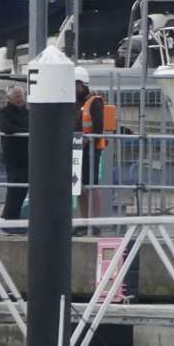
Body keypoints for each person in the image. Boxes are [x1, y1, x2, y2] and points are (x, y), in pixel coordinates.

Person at [74, 67, 106, 228]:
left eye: (74, 85)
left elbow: (99, 128)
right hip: (78, 149)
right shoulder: (76, 103)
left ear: (81, 84)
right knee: (79, 186)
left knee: (91, 185)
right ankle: (83, 222)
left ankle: (94, 222)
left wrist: (87, 140)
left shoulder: (94, 102)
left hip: (91, 150)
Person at [0, 85, 29, 221]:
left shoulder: (28, 112)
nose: (20, 99)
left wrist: (23, 130)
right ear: (9, 98)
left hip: (26, 156)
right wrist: (25, 131)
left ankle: (14, 217)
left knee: (23, 189)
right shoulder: (3, 112)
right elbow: (7, 128)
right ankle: (9, 219)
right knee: (14, 189)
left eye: (21, 96)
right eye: (17, 96)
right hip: (13, 157)